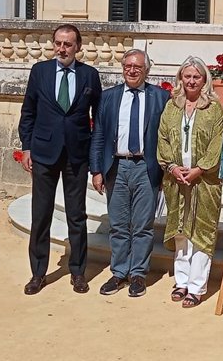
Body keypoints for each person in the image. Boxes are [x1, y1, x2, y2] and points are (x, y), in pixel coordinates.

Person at [18, 24, 102, 295]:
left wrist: (95, 157)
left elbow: (98, 120)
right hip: (43, 154)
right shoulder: (39, 72)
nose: (62, 49)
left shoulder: (90, 76)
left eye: (67, 44)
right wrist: (27, 147)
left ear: (78, 47)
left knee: (76, 216)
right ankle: (38, 273)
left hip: (76, 156)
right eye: (58, 43)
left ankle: (78, 272)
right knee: (40, 214)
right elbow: (28, 111)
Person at [89, 49, 170, 297]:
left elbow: (168, 137)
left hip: (146, 167)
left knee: (143, 225)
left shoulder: (160, 97)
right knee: (119, 224)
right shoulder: (109, 97)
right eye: (127, 66)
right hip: (116, 167)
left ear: (146, 70)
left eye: (137, 67)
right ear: (122, 68)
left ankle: (138, 274)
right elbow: (99, 134)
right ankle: (119, 272)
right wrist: (96, 170)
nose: (132, 71)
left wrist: (166, 171)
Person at [157, 56, 223, 308]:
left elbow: (218, 143)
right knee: (181, 232)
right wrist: (172, 166)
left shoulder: (213, 109)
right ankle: (181, 281)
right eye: (187, 76)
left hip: (204, 181)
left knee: (201, 233)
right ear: (180, 78)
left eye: (197, 76)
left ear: (205, 79)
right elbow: (162, 137)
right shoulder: (172, 106)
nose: (192, 81)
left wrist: (199, 169)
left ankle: (196, 287)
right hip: (175, 179)